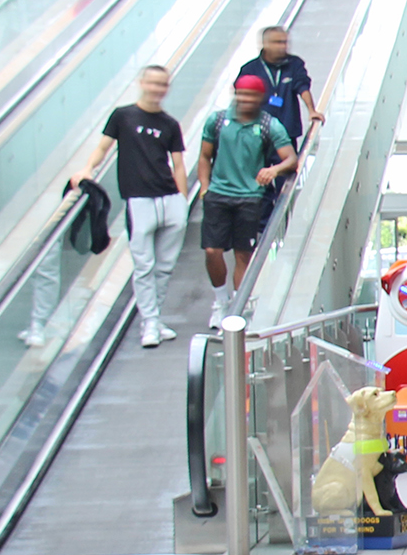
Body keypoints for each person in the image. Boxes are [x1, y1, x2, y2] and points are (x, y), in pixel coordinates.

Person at [67, 64, 189, 347]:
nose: (158, 89)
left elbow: (179, 165)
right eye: (154, 83)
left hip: (169, 199)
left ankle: (155, 320)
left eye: (163, 84)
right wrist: (87, 169)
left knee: (165, 266)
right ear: (142, 83)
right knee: (144, 265)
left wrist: (182, 201)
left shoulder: (170, 124)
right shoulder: (123, 116)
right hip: (139, 200)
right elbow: (103, 147)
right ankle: (149, 323)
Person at [195, 75, 296, 325]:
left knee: (243, 254)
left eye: (251, 95)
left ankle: (238, 309)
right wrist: (205, 188)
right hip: (219, 195)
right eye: (241, 93)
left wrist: (274, 170)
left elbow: (291, 158)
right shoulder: (217, 120)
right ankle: (221, 301)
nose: (245, 99)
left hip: (250, 197)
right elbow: (204, 156)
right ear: (235, 93)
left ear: (260, 98)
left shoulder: (268, 125)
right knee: (212, 250)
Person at [238, 26, 321, 151]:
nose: (283, 46)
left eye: (285, 42)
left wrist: (312, 110)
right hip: (259, 133)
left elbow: (302, 86)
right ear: (265, 44)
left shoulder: (295, 64)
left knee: (287, 165)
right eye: (277, 42)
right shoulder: (250, 69)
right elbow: (240, 96)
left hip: (287, 130)